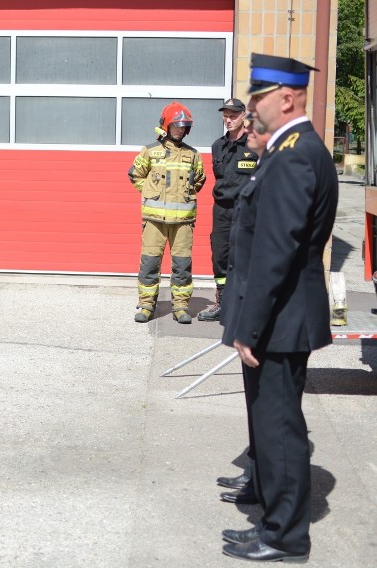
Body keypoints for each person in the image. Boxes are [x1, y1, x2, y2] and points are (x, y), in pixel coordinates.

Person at [219, 54, 338, 563]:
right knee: (269, 423)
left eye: (258, 98)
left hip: (280, 317)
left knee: (280, 428)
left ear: (286, 98)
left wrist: (249, 327)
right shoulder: (287, 149)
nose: (251, 109)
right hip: (278, 313)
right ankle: (271, 512)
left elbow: (276, 251)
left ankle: (285, 537)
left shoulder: (293, 154)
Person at [216, 114, 271, 507]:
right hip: (251, 312)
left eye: (252, 124)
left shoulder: (286, 168)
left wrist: (250, 324)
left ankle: (280, 525)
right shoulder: (260, 163)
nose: (242, 130)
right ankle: (256, 478)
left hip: (270, 321)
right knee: (258, 408)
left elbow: (276, 257)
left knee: (273, 413)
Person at [128, 102, 206, 324]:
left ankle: (180, 307)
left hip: (183, 223)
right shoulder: (150, 152)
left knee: (182, 266)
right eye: (177, 126)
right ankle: (146, 305)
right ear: (166, 125)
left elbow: (199, 180)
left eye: (184, 127)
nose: (180, 130)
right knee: (150, 264)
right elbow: (135, 175)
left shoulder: (193, 155)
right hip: (154, 221)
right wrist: (151, 191)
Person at [198, 99, 258, 322]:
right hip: (222, 210)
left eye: (233, 115)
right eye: (225, 115)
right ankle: (222, 303)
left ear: (244, 116)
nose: (228, 119)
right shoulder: (217, 146)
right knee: (220, 256)